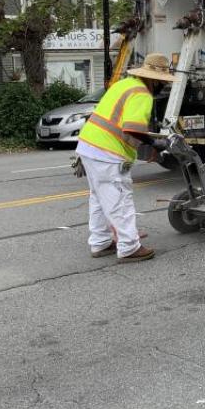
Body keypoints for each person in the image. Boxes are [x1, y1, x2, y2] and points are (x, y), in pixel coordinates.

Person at [74, 53, 175, 263]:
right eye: (163, 82)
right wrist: (155, 143)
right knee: (120, 199)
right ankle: (129, 247)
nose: (163, 87)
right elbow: (132, 128)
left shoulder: (124, 84)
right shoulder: (142, 94)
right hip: (107, 152)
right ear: (154, 79)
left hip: (89, 146)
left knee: (100, 199)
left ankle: (100, 242)